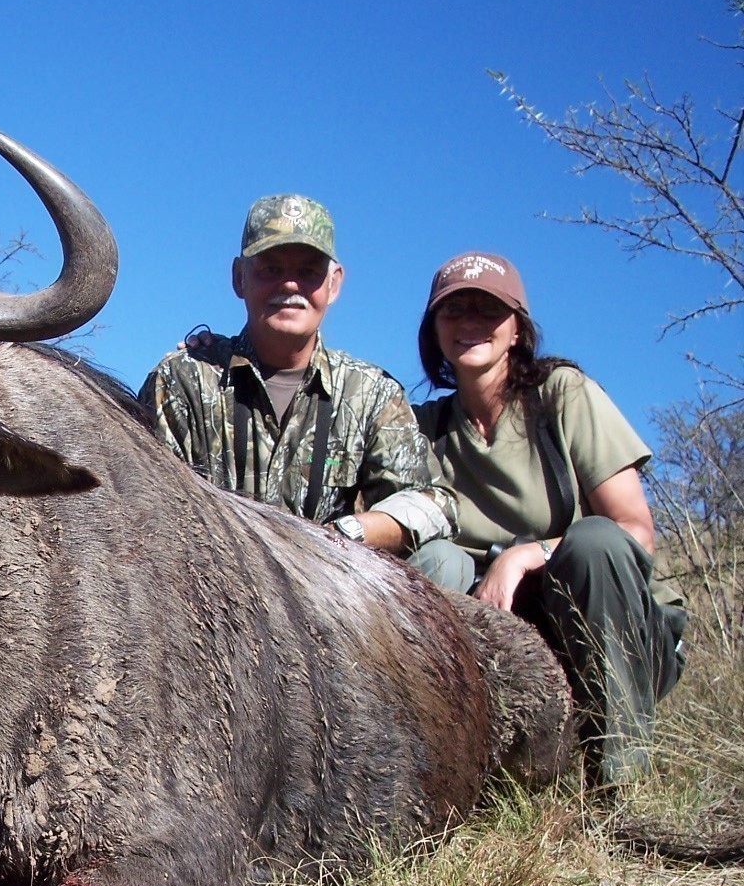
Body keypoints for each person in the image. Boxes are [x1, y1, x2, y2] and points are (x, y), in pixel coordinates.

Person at [413, 251, 687, 787]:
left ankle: (619, 785)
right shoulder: (422, 428)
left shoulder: (562, 394)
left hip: (610, 622)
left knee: (594, 542)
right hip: (502, 636)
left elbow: (636, 531)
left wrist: (526, 555)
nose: (470, 322)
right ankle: (441, 779)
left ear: (518, 329)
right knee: (428, 563)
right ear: (434, 332)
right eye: (454, 311)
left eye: (487, 310)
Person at [141, 193, 463, 583]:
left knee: (444, 561)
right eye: (270, 269)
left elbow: (434, 501)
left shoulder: (371, 394)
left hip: (335, 597)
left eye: (309, 272)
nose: (290, 284)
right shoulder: (183, 380)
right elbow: (146, 508)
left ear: (334, 284)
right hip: (212, 595)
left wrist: (344, 535)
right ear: (239, 278)